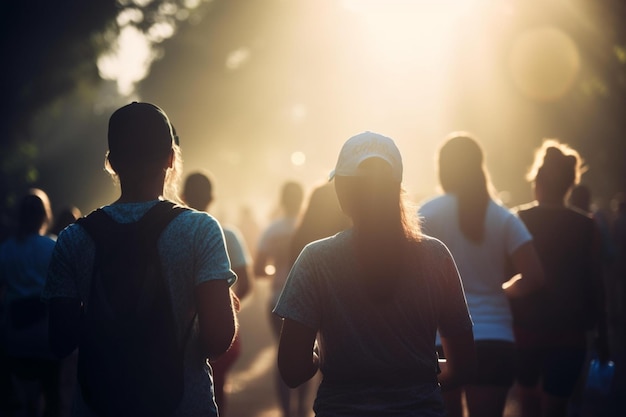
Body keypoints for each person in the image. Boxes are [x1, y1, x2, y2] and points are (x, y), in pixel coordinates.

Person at [42, 102, 238, 417]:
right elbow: (218, 338)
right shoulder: (200, 229)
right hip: (183, 405)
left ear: (112, 163)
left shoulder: (72, 239)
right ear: (171, 158)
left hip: (98, 406)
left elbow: (60, 341)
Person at [274, 131, 476, 416]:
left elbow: (292, 369)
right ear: (397, 188)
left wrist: (320, 358)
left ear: (342, 193)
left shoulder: (316, 260)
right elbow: (463, 364)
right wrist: (420, 377)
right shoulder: (435, 256)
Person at [418, 133, 545, 417]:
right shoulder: (503, 217)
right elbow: (535, 276)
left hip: (441, 341)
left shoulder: (427, 213)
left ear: (443, 168)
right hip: (496, 339)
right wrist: (499, 291)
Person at [511, 139, 609, 417]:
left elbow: (507, 275)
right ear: (570, 185)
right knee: (557, 409)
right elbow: (595, 280)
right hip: (571, 333)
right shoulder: (587, 226)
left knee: (528, 406)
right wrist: (602, 335)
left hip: (525, 331)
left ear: (536, 182)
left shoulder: (517, 219)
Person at [181, 170, 253, 416]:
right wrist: (223, 304)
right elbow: (247, 282)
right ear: (213, 197)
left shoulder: (175, 236)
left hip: (184, 329)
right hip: (223, 325)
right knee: (217, 386)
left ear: (182, 196)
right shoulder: (229, 235)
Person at [0, 188, 61, 417]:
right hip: (45, 330)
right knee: (52, 392)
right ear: (45, 215)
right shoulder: (53, 245)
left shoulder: (6, 249)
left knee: (23, 395)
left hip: (15, 330)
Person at [254, 180, 307, 417]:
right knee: (307, 352)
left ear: (282, 200)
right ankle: (303, 408)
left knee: (282, 354)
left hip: (277, 299)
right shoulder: (308, 227)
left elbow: (258, 269)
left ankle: (286, 411)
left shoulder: (272, 230)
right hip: (307, 300)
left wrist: (277, 272)